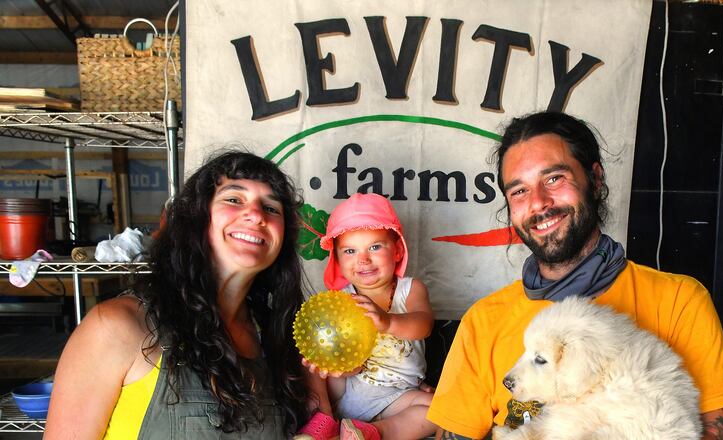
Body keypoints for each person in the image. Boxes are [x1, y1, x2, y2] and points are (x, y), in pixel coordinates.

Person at [426, 111, 723, 440]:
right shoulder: (482, 321)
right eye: (519, 191)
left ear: (595, 179)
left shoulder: (680, 300)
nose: (538, 203)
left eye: (553, 179)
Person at [45, 151, 312, 439]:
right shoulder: (116, 326)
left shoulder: (275, 338)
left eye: (271, 208)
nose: (256, 215)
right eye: (234, 199)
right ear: (196, 217)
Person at [297, 193, 437, 440]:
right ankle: (323, 419)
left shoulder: (410, 289)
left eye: (375, 247)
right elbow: (347, 364)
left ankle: (371, 433)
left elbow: (424, 325)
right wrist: (339, 366)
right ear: (337, 261)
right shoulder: (339, 301)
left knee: (441, 409)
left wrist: (389, 322)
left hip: (398, 396)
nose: (363, 259)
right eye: (350, 250)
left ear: (396, 250)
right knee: (311, 362)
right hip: (346, 392)